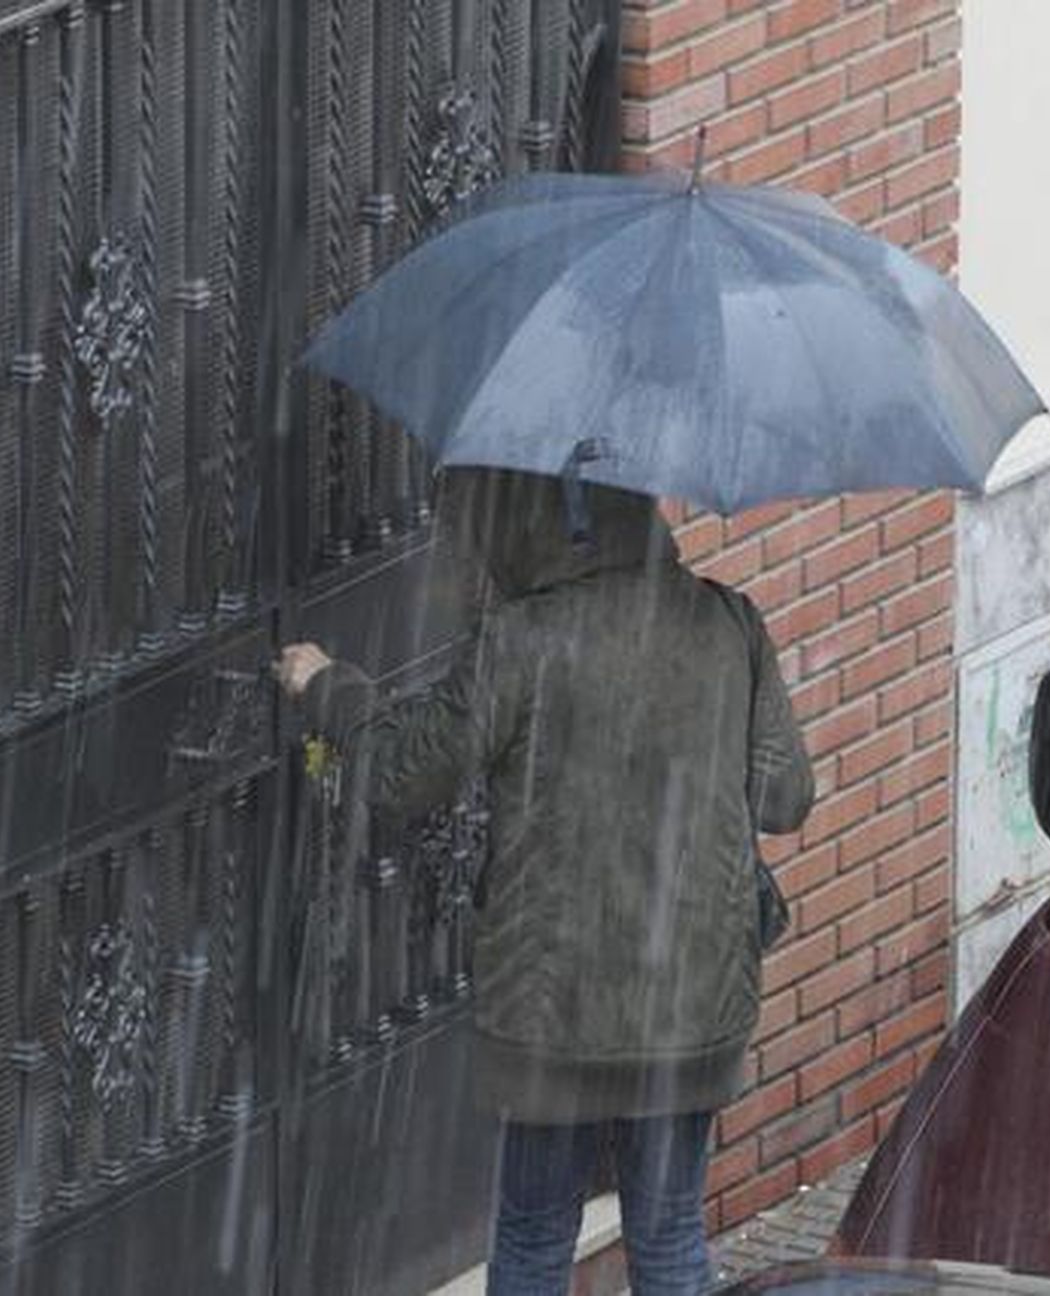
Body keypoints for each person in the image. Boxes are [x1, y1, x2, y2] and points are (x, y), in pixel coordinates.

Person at [275, 469, 814, 1296]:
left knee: (532, 1239)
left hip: (556, 1011)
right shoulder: (726, 621)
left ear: (541, 528)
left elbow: (404, 775)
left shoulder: (523, 640)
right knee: (669, 1239)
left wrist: (330, 690)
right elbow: (786, 798)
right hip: (691, 1004)